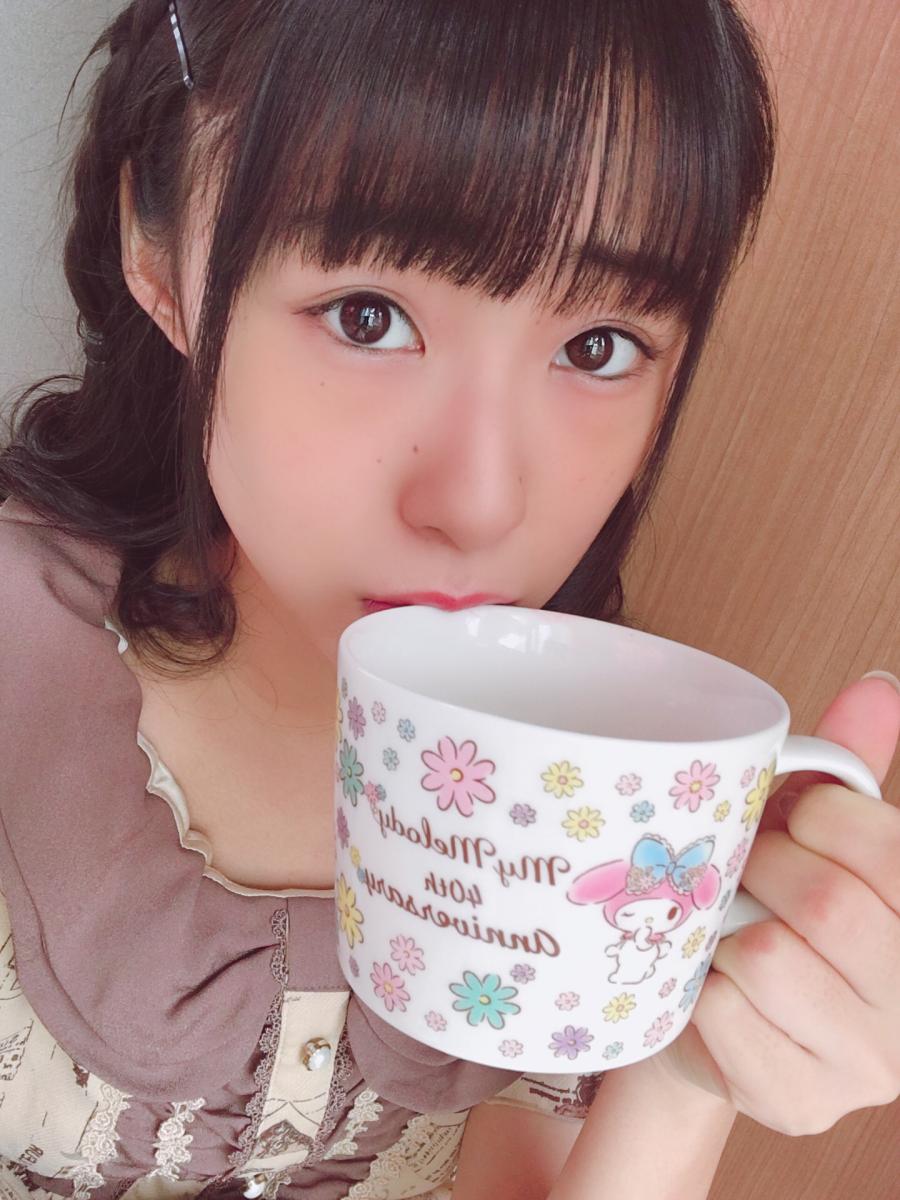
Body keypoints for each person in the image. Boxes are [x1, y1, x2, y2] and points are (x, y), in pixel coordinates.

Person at [0, 2, 897, 1198]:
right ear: (160, 257)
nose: (478, 505)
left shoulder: (599, 788)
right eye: (367, 317)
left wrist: (688, 1065)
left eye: (599, 346)